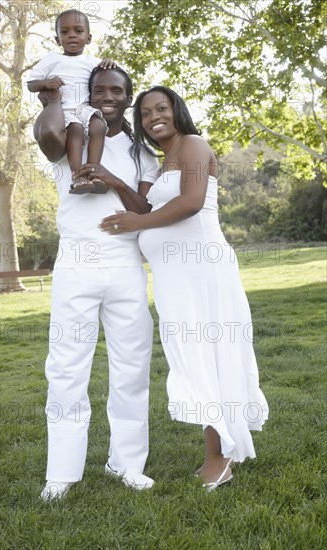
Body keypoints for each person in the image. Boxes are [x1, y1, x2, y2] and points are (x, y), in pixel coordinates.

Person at [100, 86, 269, 491]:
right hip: (177, 278)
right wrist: (114, 182)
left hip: (202, 272)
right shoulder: (162, 165)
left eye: (161, 108)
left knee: (210, 357)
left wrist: (135, 225)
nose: (153, 117)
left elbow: (192, 201)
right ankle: (216, 449)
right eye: (144, 113)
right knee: (192, 358)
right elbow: (149, 209)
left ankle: (220, 457)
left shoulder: (193, 144)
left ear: (177, 111)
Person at [40, 67, 160, 501]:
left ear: (128, 98)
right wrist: (52, 92)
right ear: (87, 95)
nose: (107, 96)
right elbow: (43, 130)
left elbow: (145, 206)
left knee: (132, 367)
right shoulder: (70, 134)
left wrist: (112, 179)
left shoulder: (140, 151)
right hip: (76, 263)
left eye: (116, 91)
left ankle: (125, 464)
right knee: (67, 368)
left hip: (125, 265)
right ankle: (62, 473)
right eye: (99, 90)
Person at [28, 9, 116, 194]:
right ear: (57, 39)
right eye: (65, 32)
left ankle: (94, 171)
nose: (72, 36)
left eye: (78, 30)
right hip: (64, 111)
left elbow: (109, 75)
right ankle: (78, 177)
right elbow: (31, 84)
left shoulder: (92, 62)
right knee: (75, 131)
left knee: (99, 126)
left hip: (84, 109)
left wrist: (109, 63)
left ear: (89, 37)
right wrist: (46, 83)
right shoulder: (52, 59)